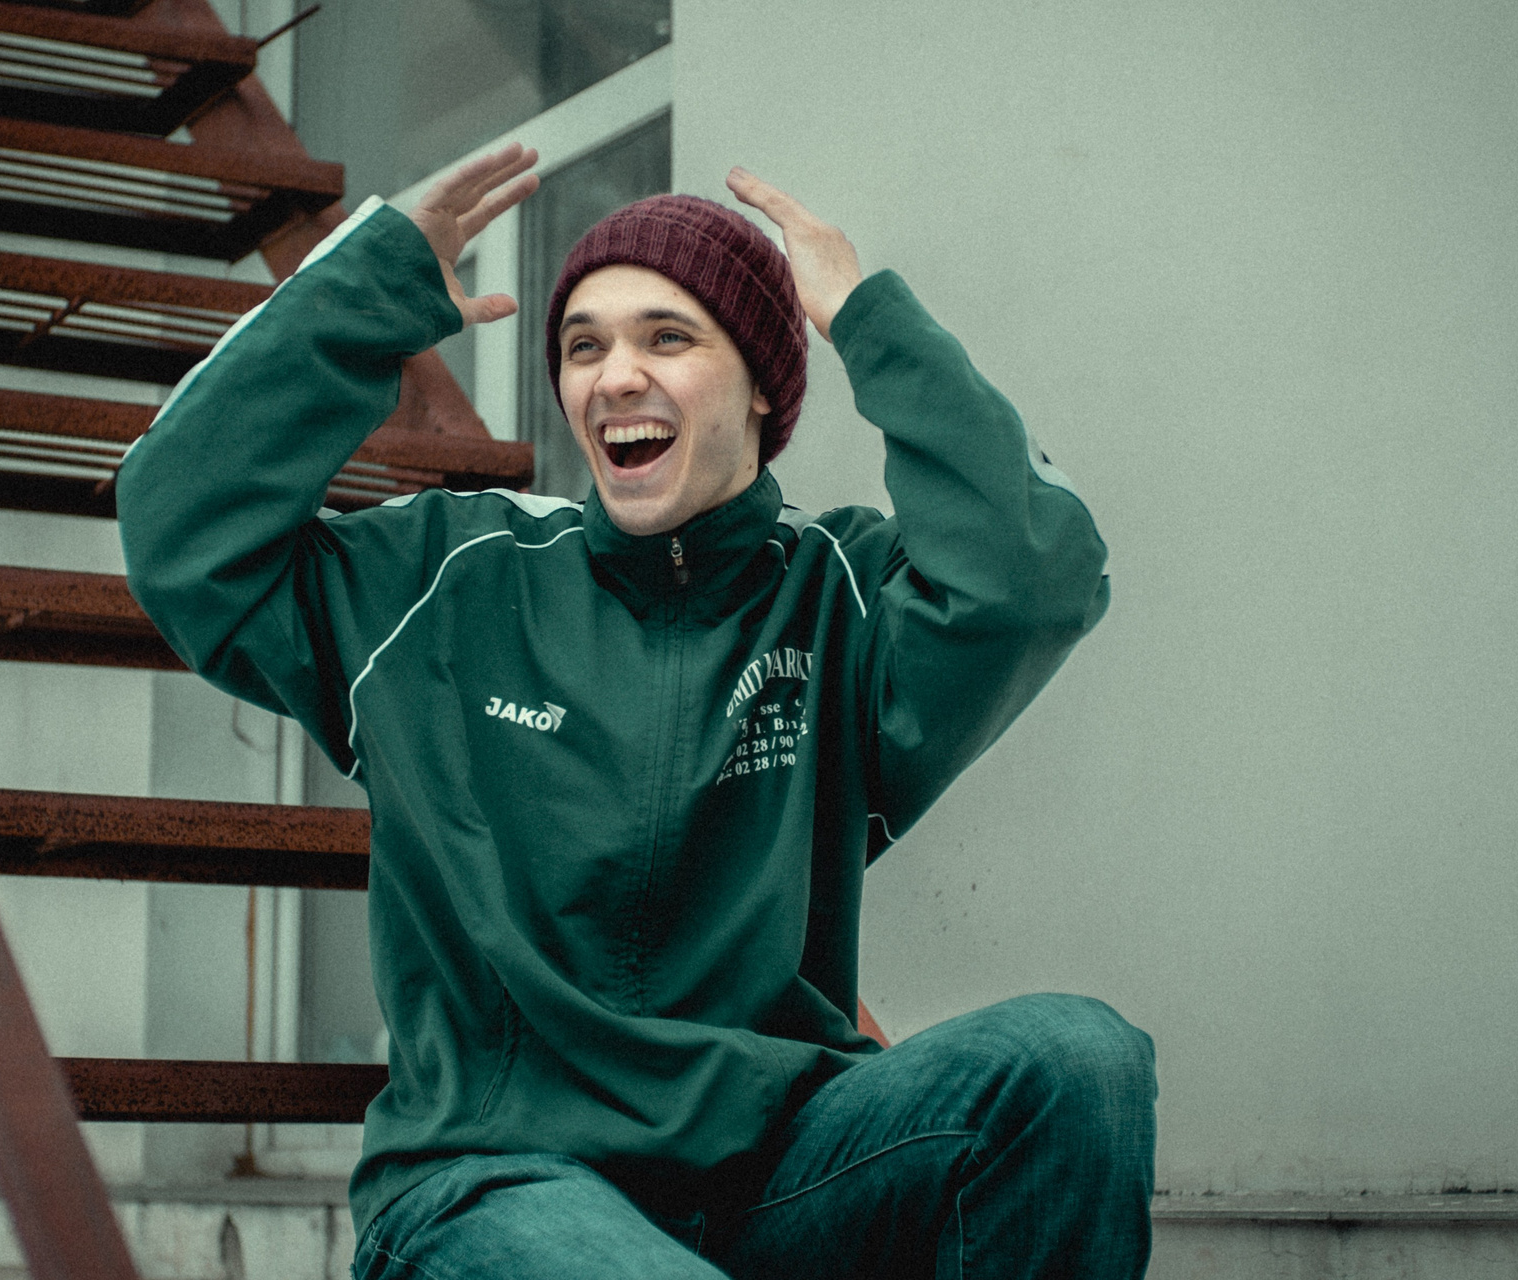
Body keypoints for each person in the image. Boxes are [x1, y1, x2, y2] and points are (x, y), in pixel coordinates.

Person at [118, 143, 1156, 1279]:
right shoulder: (444, 583)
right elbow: (182, 530)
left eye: (667, 337)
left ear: (762, 383)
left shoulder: (839, 597)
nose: (614, 376)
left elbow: (1036, 577)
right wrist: (369, 288)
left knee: (1075, 1058)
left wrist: (869, 322)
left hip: (777, 1173)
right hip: (491, 1183)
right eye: (584, 345)